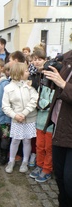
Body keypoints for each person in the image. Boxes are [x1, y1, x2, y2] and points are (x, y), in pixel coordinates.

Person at [43, 50, 72, 207]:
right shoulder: (68, 60)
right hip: (59, 126)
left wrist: (63, 84)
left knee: (69, 180)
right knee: (59, 175)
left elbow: (64, 85)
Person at [2, 62, 38, 173]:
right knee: (15, 140)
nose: (28, 72)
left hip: (29, 118)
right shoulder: (8, 88)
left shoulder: (30, 85)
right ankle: (11, 161)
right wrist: (15, 115)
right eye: (26, 70)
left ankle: (25, 162)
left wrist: (24, 113)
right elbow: (5, 106)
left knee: (27, 140)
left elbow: (34, 99)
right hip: (16, 119)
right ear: (19, 73)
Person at [29, 49, 55, 182]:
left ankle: (47, 169)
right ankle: (39, 165)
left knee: (48, 147)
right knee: (39, 145)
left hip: (49, 123)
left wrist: (39, 102)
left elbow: (49, 102)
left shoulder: (55, 86)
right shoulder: (41, 82)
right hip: (39, 121)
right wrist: (37, 101)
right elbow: (36, 98)